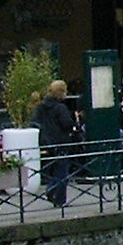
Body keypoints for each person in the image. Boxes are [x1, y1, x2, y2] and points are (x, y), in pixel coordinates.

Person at [34, 78, 78, 208]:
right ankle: (57, 195)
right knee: (62, 170)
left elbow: (35, 121)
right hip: (61, 140)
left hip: (46, 140)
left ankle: (52, 188)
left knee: (53, 168)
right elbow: (66, 124)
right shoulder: (60, 107)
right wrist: (74, 124)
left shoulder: (41, 106)